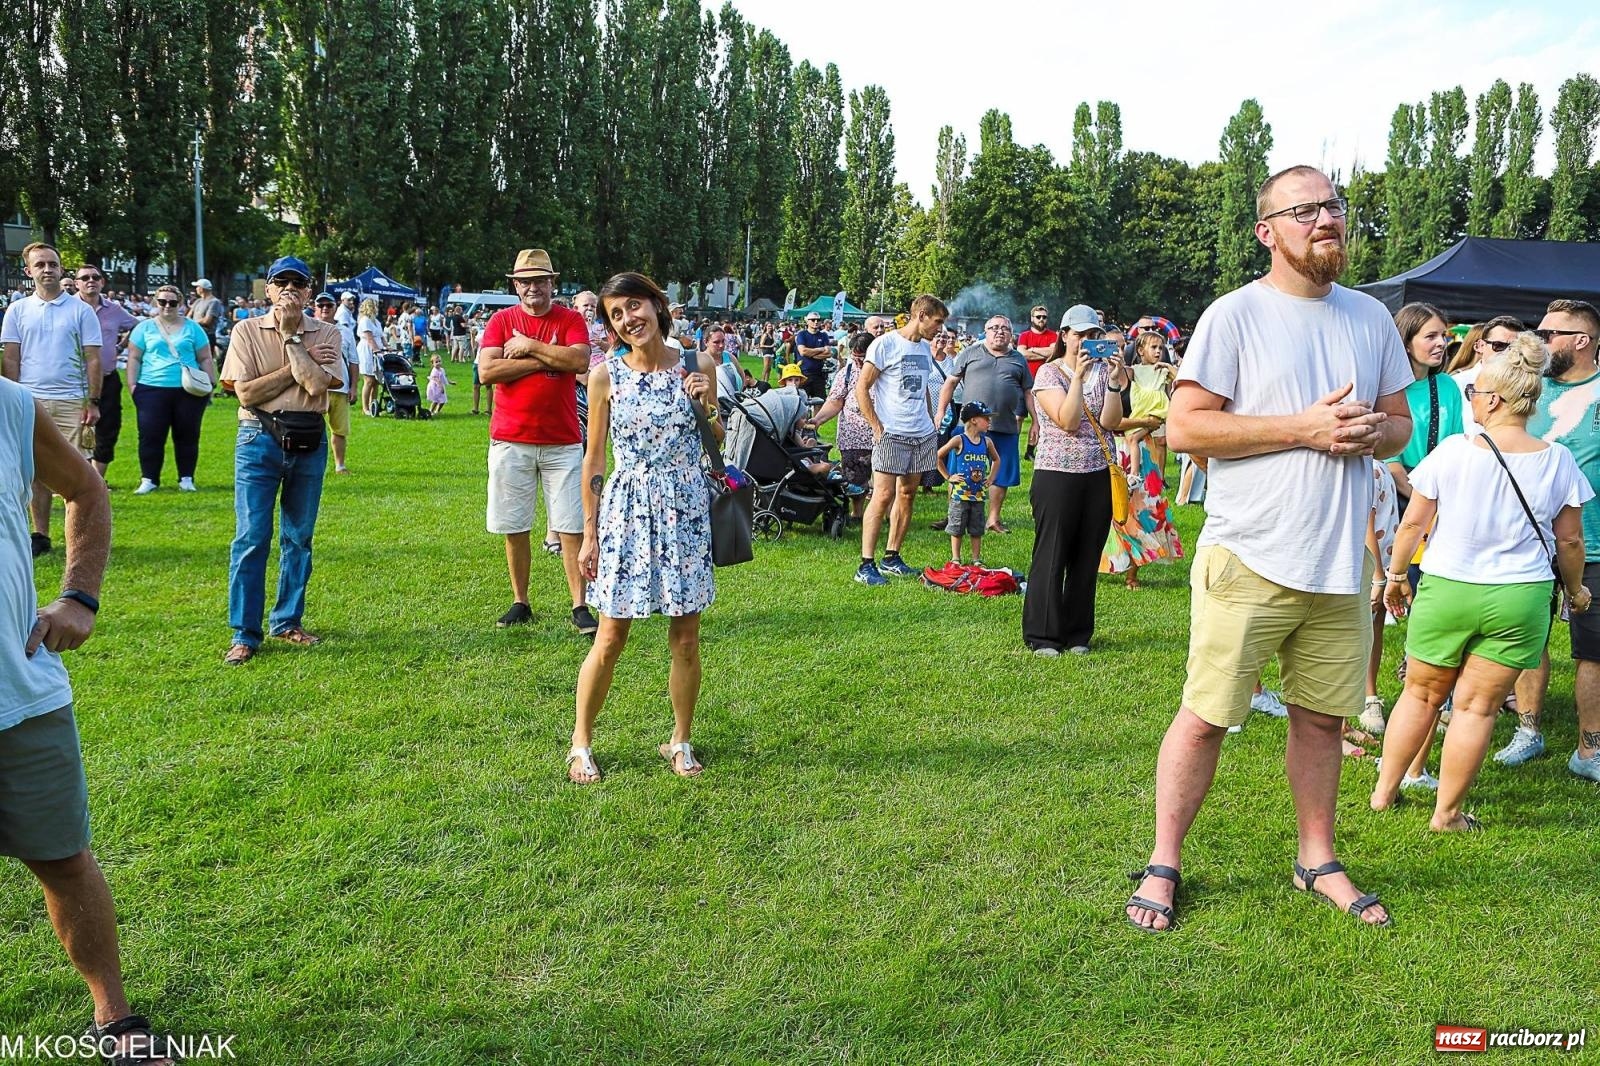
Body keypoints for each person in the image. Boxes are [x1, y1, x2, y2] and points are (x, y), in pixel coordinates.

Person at [1125, 166, 1414, 932]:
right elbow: (1186, 430)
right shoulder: (1235, 316)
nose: (1327, 219)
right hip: (1250, 554)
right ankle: (1164, 861)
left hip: (1338, 561)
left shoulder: (1370, 319)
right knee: (1206, 716)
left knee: (1321, 720)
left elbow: (1399, 423)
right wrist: (1303, 428)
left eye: (1334, 207)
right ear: (1268, 231)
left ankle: (1316, 858)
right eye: (1306, 209)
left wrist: (1370, 433)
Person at [0, 372, 185, 1065]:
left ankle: (113, 1015)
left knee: (64, 862)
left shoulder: (10, 405)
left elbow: (86, 488)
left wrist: (79, 595)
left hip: (16, 689)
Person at [1372, 335, 1593, 828]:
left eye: (1473, 393)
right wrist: (1576, 591)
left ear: (1493, 400)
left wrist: (1395, 576)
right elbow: (1571, 542)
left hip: (1448, 588)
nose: (1469, 399)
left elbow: (1412, 525)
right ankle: (1446, 813)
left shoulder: (1452, 452)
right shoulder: (1558, 460)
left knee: (1421, 695)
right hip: (1519, 599)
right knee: (1476, 709)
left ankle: (1384, 792)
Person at [571, 272, 718, 784]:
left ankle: (679, 740)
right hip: (627, 509)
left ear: (657, 306)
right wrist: (589, 534)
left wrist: (708, 405)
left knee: (686, 638)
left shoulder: (700, 364)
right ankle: (581, 743)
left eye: (635, 306)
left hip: (686, 509)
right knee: (610, 635)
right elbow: (594, 458)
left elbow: (715, 437)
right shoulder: (605, 375)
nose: (629, 319)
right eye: (616, 314)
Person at [219, 256, 344, 665]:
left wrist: (291, 341)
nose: (289, 288)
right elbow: (247, 395)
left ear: (309, 290)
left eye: (298, 282)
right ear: (268, 288)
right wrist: (303, 358)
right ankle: (244, 633)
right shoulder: (245, 330)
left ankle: (288, 621)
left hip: (308, 438)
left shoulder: (329, 331)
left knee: (298, 537)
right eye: (281, 281)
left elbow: (316, 385)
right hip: (258, 437)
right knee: (252, 536)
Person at [1503, 298, 1600, 779]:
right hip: (1529, 544)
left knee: (1593, 649)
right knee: (1528, 640)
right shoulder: (1529, 392)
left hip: (1594, 544)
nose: (1540, 341)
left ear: (1581, 341)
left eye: (1550, 333)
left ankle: (1588, 750)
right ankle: (1528, 729)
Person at [477, 249, 596, 636]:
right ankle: (520, 600)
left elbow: (579, 362)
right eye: (525, 281)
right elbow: (488, 371)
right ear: (516, 285)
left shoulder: (571, 318)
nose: (533, 287)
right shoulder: (500, 320)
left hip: (562, 439)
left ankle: (579, 604)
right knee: (515, 524)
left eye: (540, 280)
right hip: (511, 438)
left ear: (552, 283)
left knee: (570, 525)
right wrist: (547, 359)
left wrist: (527, 345)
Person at [1023, 307, 1128, 654]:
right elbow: (1068, 420)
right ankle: (1043, 634)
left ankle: (1078, 633)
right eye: (1079, 334)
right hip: (1057, 473)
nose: (1085, 342)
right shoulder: (1049, 374)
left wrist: (1113, 382)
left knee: (1086, 557)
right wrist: (1079, 378)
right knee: (1052, 554)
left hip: (1096, 472)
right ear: (1064, 335)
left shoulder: (1104, 371)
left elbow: (1111, 422)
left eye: (1091, 335)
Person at [1, 242, 102, 558]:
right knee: (34, 471)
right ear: (29, 271)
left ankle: (81, 536)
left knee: (78, 472)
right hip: (31, 401)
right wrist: (12, 400)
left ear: (61, 270)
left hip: (73, 400)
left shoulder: (81, 310)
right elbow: (12, 358)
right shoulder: (17, 310)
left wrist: (93, 401)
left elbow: (93, 359)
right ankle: (40, 535)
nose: (47, 269)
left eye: (52, 264)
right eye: (40, 264)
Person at [853, 295, 948, 586]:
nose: (940, 329)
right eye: (938, 321)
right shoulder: (885, 344)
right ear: (921, 314)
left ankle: (892, 556)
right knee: (882, 495)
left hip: (920, 432)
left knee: (908, 493)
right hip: (892, 432)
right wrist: (877, 427)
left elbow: (923, 388)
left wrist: (931, 418)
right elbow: (862, 386)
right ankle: (866, 564)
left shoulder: (923, 348)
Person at [936, 316, 1035, 534]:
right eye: (995, 328)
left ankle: (993, 519)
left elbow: (1028, 392)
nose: (1000, 332)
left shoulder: (1019, 359)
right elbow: (951, 382)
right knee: (958, 470)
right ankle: (955, 515)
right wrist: (941, 411)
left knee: (1002, 474)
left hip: (1005, 426)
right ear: (986, 331)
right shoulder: (970, 352)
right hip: (969, 429)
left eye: (1005, 329)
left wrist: (1036, 421)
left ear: (1011, 334)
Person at [125, 284, 215, 494]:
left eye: (173, 302)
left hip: (188, 389)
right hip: (151, 387)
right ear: (156, 303)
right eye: (162, 302)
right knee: (150, 435)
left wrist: (210, 382)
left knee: (188, 434)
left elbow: (205, 357)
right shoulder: (144, 328)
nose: (167, 306)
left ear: (181, 304)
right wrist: (132, 386)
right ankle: (149, 478)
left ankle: (186, 478)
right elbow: (134, 358)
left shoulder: (193, 328)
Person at [74, 264, 138, 484]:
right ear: (77, 283)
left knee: (108, 428)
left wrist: (120, 346)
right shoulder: (67, 307)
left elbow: (137, 326)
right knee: (73, 429)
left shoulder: (115, 309)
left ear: (102, 282)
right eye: (84, 278)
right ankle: (73, 479)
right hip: (74, 380)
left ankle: (96, 481)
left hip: (108, 378)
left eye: (95, 277)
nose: (90, 280)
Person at [812, 331, 875, 519]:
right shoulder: (846, 373)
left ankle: (885, 514)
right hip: (853, 435)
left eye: (862, 359)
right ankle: (857, 513)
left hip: (882, 435)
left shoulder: (886, 372)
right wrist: (818, 420)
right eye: (855, 358)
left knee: (884, 481)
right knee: (854, 479)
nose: (858, 363)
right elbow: (835, 401)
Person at [937, 401, 999, 566]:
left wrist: (991, 478)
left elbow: (996, 460)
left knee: (976, 529)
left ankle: (976, 559)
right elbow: (937, 456)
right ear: (973, 420)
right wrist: (948, 476)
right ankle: (956, 558)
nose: (989, 421)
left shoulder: (987, 442)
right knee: (957, 527)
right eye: (986, 418)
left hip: (978, 496)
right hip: (959, 495)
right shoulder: (959, 440)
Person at [1449, 316, 1523, 434]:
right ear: (1480, 346)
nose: (1506, 353)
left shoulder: (1526, 386)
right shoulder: (1456, 383)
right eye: (1498, 346)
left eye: (1514, 348)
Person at [312, 293, 357, 473]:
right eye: (320, 305)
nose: (324, 308)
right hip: (315, 388)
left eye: (328, 305)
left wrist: (354, 387)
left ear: (335, 307)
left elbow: (354, 361)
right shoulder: (308, 329)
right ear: (315, 307)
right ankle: (312, 464)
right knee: (311, 428)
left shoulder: (345, 330)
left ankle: (340, 464)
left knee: (339, 430)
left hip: (340, 388)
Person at [794, 313, 834, 403]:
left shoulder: (823, 335)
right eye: (813, 320)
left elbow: (828, 353)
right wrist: (820, 349)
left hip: (819, 374)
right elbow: (802, 352)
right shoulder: (802, 334)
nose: (816, 322)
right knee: (802, 403)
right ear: (807, 321)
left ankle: (815, 418)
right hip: (803, 374)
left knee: (819, 402)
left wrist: (811, 354)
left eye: (818, 320)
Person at [356, 298, 384, 418]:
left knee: (376, 381)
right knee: (369, 380)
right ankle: (365, 407)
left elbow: (382, 337)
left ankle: (374, 405)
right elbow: (369, 338)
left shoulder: (376, 321)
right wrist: (376, 350)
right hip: (367, 350)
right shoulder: (365, 320)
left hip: (378, 350)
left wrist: (387, 348)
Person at [1016, 305, 1058, 378]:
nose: (1041, 319)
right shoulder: (1024, 335)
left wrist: (1033, 349)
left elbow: (1054, 352)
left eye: (1044, 317)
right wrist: (1046, 355)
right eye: (1038, 317)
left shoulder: (1053, 335)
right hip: (1028, 379)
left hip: (1048, 378)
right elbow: (1022, 355)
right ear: (1032, 318)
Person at [187, 278, 223, 348]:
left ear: (201, 288)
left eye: (197, 287)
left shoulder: (214, 302)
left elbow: (207, 321)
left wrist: (192, 322)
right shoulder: (198, 301)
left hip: (207, 335)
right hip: (194, 334)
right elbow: (188, 316)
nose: (196, 289)